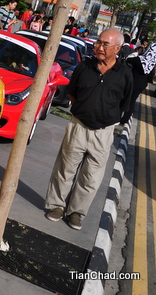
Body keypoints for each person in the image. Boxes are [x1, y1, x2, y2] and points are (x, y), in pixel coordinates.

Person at [44, 29, 133, 230]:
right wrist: (82, 111)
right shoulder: (84, 67)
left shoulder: (125, 74)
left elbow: (125, 105)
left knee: (91, 177)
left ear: (117, 48)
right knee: (65, 169)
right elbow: (72, 94)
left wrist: (107, 121)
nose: (99, 48)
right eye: (98, 43)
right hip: (78, 126)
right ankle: (57, 206)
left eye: (105, 45)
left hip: (103, 132)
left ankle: (76, 212)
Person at [120, 42, 156, 125]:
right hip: (142, 84)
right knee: (132, 101)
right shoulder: (151, 62)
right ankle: (125, 120)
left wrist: (138, 53)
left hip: (134, 81)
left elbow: (128, 59)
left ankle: (119, 118)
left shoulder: (140, 59)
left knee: (124, 99)